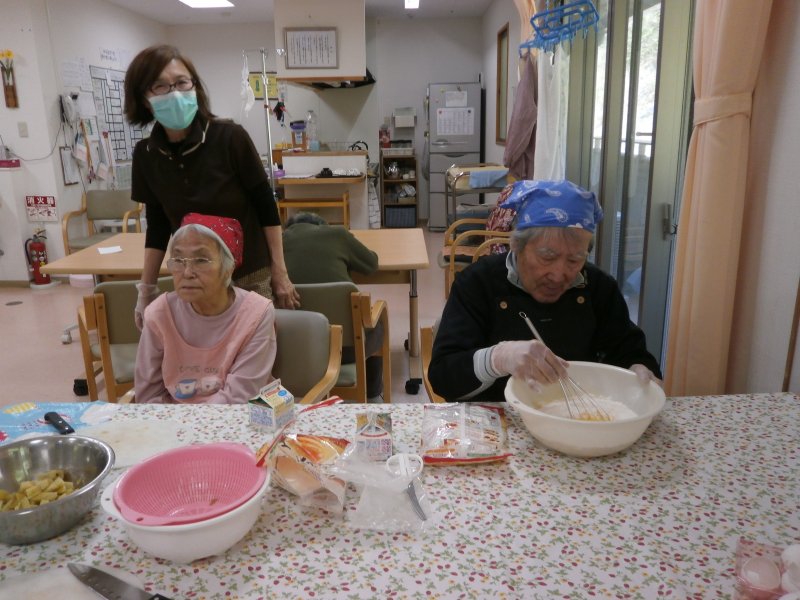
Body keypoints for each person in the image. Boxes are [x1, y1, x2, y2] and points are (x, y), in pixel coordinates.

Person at [428, 179, 662, 402]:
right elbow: (443, 376)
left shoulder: (599, 288)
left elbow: (630, 352)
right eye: (547, 257)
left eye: (574, 260)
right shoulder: (478, 282)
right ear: (516, 245)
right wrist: (498, 358)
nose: (559, 275)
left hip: (577, 418)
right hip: (496, 419)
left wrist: (639, 370)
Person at [123, 44, 299, 330]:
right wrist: (146, 289)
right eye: (161, 86)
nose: (175, 93)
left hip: (249, 273)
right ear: (144, 98)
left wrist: (280, 272)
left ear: (194, 86)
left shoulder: (230, 138)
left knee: (254, 347)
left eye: (182, 82)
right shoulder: (147, 155)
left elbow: (267, 208)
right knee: (203, 350)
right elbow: (157, 226)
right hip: (193, 278)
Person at [135, 214, 276, 404]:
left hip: (234, 417)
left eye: (201, 260)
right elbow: (148, 396)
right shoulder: (159, 313)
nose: (187, 273)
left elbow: (239, 397)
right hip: (171, 420)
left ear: (228, 268)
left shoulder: (257, 314)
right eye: (178, 260)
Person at [282, 212, 384, 399]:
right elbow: (371, 264)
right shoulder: (338, 234)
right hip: (348, 349)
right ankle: (373, 395)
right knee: (376, 325)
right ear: (322, 226)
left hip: (295, 350)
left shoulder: (279, 242)